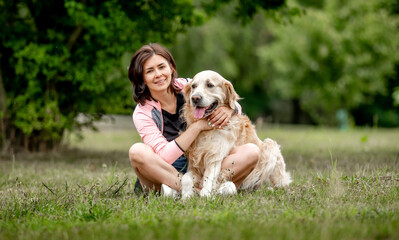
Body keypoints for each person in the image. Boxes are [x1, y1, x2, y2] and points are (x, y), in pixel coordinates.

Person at [127, 43, 260, 196]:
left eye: (161, 67)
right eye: (150, 71)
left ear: (171, 68)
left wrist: (230, 109)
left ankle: (196, 189)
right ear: (141, 77)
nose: (158, 74)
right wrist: (198, 127)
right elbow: (165, 155)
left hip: (198, 166)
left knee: (251, 152)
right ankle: (198, 190)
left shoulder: (189, 85)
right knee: (137, 151)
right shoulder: (142, 112)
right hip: (165, 170)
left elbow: (232, 102)